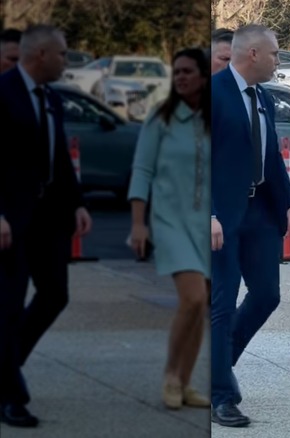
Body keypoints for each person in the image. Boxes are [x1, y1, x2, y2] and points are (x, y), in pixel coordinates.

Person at [210, 24, 290, 427]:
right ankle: (221, 395)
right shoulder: (211, 94)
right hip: (221, 217)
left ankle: (212, 366)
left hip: (260, 213)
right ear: (252, 54)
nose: (277, 60)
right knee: (222, 302)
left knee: (266, 295)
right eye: (275, 54)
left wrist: (289, 203)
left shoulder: (263, 96)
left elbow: (270, 157)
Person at [0, 24, 92, 428]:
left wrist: (78, 204)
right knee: (8, 306)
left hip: (49, 218)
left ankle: (5, 367)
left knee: (55, 294)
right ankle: (11, 396)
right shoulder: (4, 92)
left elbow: (59, 159)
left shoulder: (51, 97)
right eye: (62, 54)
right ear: (40, 55)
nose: (66, 61)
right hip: (10, 220)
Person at [127, 48, 211, 410]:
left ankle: (187, 381)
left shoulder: (213, 119)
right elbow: (142, 170)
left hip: (207, 225)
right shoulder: (160, 117)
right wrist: (138, 224)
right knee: (192, 298)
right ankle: (171, 376)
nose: (181, 78)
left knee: (201, 305)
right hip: (169, 222)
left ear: (203, 77)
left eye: (188, 71)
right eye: (176, 72)